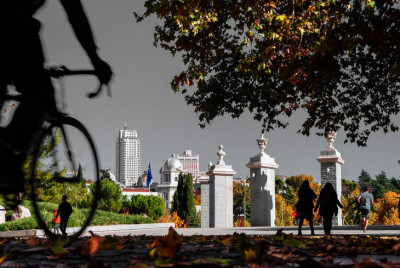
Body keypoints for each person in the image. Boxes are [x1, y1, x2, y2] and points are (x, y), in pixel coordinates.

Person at [0, 0, 113, 195]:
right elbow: (75, 14)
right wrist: (95, 60)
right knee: (41, 93)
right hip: (12, 26)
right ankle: (7, 150)